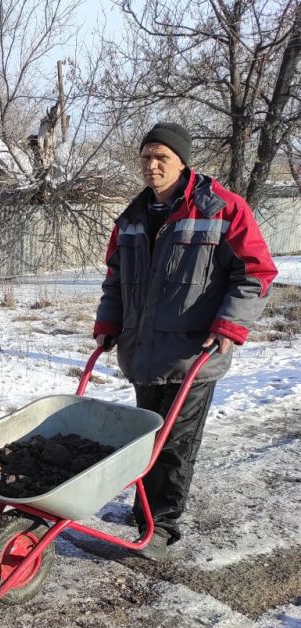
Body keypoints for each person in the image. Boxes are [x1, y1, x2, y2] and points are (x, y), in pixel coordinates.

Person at [94, 122, 278, 561]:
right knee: (144, 436)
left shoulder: (222, 210)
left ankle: (162, 527)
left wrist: (230, 325)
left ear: (182, 162)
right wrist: (108, 323)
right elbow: (116, 277)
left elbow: (256, 272)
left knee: (174, 443)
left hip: (193, 352)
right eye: (146, 157)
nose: (152, 165)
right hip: (142, 350)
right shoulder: (133, 218)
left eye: (162, 157)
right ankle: (146, 512)